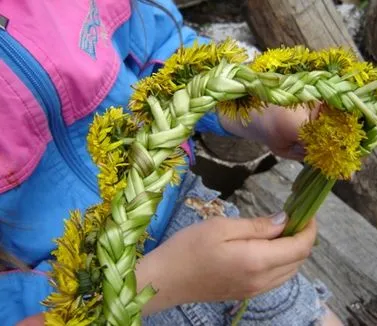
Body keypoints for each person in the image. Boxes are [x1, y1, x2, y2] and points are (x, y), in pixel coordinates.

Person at [0, 0, 342, 325]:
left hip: (189, 214)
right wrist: (146, 285)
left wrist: (260, 105)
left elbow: (160, 47)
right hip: (71, 298)